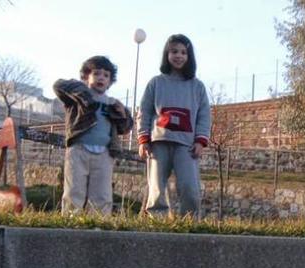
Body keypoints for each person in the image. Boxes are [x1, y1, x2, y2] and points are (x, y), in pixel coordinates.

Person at [138, 34, 211, 218]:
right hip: (158, 143)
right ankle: (158, 220)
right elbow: (145, 111)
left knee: (189, 186)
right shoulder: (156, 83)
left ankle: (189, 221)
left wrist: (201, 141)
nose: (178, 56)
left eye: (183, 52)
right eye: (174, 51)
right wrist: (143, 138)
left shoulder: (197, 87)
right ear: (166, 54)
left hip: (186, 145)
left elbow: (204, 116)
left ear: (189, 56)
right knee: (156, 186)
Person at [53, 56, 133, 215]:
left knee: (102, 194)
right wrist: (83, 90)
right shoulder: (77, 97)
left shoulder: (113, 103)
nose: (101, 78)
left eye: (106, 75)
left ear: (110, 81)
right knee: (74, 190)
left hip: (104, 153)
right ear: (86, 76)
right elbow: (58, 86)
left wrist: (122, 113)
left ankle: (98, 225)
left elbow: (126, 127)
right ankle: (70, 222)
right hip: (78, 149)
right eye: (96, 73)